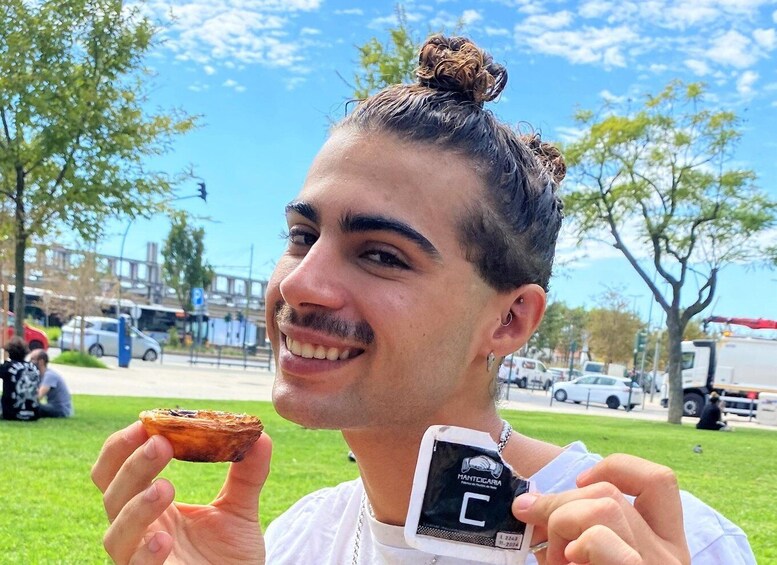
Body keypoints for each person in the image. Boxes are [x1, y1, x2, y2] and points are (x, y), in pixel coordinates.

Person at [92, 35, 755, 564]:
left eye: (381, 254)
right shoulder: (297, 537)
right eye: (302, 236)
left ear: (509, 319)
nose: (298, 283)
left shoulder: (672, 545)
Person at [1, 336, 41, 421]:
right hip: (33, 414)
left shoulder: (7, 367)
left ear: (9, 352)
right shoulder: (34, 367)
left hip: (11, 413)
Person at [30, 349, 74, 418]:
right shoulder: (40, 375)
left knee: (33, 407)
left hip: (61, 409)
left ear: (41, 362)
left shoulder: (49, 375)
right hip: (54, 406)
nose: (30, 362)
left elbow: (39, 396)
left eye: (32, 359)